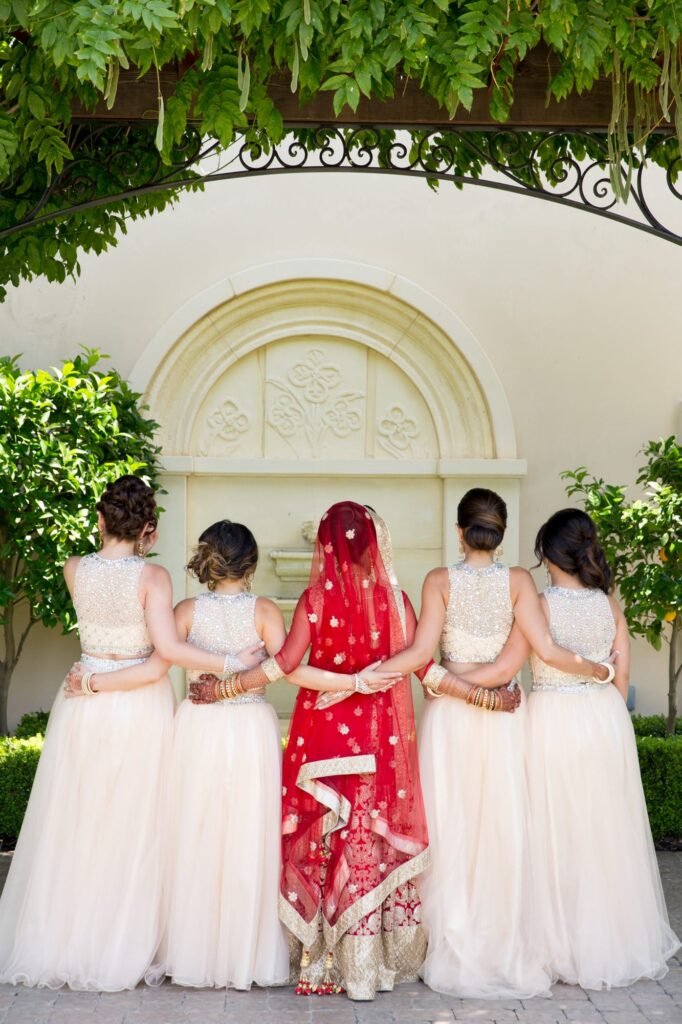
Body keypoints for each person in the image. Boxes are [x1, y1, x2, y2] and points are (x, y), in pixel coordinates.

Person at [377, 488, 615, 999]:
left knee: (450, 828)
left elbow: (420, 652)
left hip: (449, 719)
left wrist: (386, 673)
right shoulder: (520, 581)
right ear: (500, 533)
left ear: (458, 532)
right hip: (502, 717)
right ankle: (501, 941)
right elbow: (512, 665)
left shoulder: (439, 580)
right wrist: (482, 692)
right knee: (502, 831)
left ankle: (445, 941)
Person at [192, 502, 431, 1000]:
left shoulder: (315, 600)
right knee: (365, 836)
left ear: (324, 547)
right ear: (375, 543)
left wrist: (226, 689)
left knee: (325, 839)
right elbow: (419, 657)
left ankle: (322, 961)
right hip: (376, 735)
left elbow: (286, 664)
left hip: (322, 733)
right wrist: (367, 681)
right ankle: (367, 964)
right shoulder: (398, 600)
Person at [0, 476, 218, 990]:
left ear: (99, 521)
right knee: (136, 820)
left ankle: (69, 939)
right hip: (137, 703)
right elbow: (166, 652)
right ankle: (122, 940)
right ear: (149, 528)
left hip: (82, 701)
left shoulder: (74, 569)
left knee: (78, 821)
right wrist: (231, 660)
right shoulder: (154, 578)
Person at [525, 509, 680, 988]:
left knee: (553, 828)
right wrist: (604, 697)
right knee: (604, 831)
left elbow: (543, 655)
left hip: (553, 717)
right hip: (604, 718)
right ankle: (610, 942)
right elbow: (624, 675)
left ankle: (558, 946)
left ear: (551, 553)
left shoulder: (541, 604)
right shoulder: (609, 603)